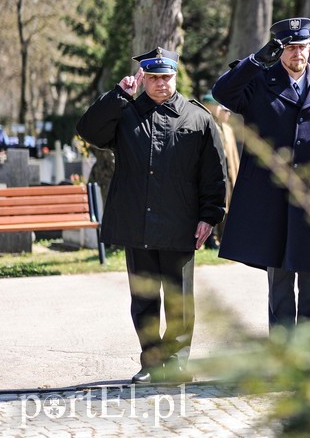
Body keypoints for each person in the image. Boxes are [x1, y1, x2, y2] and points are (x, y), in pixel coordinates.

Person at [76, 47, 226, 384]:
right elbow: (87, 129)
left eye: (166, 77)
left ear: (175, 76)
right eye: (154, 78)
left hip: (181, 223)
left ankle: (176, 363)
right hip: (137, 222)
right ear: (144, 78)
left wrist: (210, 215)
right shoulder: (125, 113)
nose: (161, 83)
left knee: (179, 299)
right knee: (143, 299)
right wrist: (118, 95)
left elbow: (214, 173)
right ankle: (151, 362)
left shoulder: (197, 117)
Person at [211, 17, 310, 329]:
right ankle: (283, 356)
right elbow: (222, 92)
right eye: (290, 48)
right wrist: (255, 62)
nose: (297, 54)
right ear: (279, 50)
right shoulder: (258, 84)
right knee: (280, 286)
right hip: (271, 203)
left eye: (301, 47)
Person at [201, 93, 241, 248]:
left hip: (229, 174)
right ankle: (212, 240)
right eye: (221, 108)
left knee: (227, 208)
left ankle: (223, 239)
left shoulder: (226, 128)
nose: (226, 113)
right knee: (214, 207)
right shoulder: (206, 124)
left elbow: (232, 155)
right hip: (213, 175)